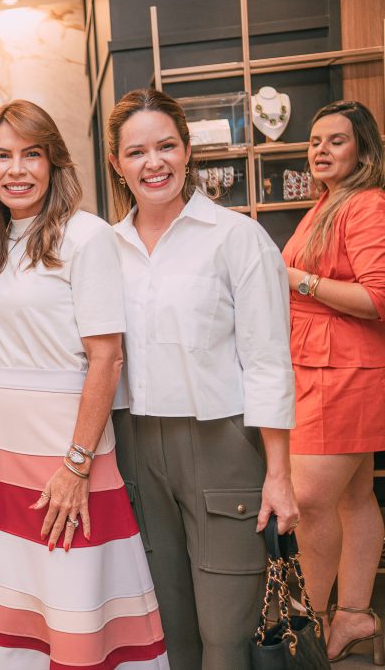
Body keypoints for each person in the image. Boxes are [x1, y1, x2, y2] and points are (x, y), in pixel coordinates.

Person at [0, 100, 167, 668]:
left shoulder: (86, 236)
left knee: (77, 597)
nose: (17, 169)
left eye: (31, 154)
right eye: (2, 157)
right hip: (7, 445)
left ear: (54, 162)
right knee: (27, 597)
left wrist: (77, 465)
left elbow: (106, 359)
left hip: (67, 445)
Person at [106, 88, 300, 669]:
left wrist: (280, 475)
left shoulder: (236, 238)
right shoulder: (103, 248)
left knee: (226, 631)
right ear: (117, 164)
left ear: (188, 150)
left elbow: (267, 361)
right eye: (136, 151)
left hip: (224, 446)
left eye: (166, 146)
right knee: (168, 627)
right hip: (135, 447)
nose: (153, 162)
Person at [282, 100, 385, 664]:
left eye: (336, 141)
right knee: (354, 495)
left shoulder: (366, 205)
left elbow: (377, 298)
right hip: (328, 367)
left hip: (342, 370)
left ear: (363, 150)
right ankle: (355, 617)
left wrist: (298, 281)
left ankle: (309, 625)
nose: (320, 149)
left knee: (310, 498)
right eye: (315, 140)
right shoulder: (328, 204)